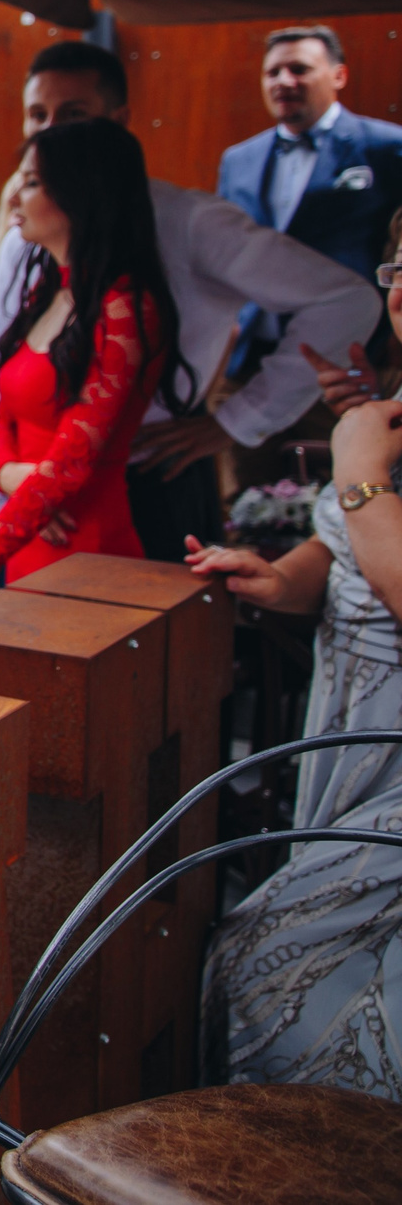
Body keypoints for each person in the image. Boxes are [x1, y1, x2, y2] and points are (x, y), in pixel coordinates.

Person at [0, 43, 375, 562]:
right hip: (28, 481)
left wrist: (238, 419)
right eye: (38, 115)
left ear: (120, 120)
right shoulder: (27, 229)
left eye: (74, 115)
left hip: (149, 476)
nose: (51, 132)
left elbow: (344, 298)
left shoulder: (192, 222)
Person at [187, 269, 402, 1093]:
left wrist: (360, 471)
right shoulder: (387, 406)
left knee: (279, 968)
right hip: (348, 722)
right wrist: (282, 580)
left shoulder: (368, 446)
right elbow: (343, 548)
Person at [0, 121, 192, 608]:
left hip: (84, 548)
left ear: (83, 192)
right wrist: (16, 478)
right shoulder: (49, 290)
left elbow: (73, 463)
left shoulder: (126, 307)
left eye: (32, 181)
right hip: (30, 528)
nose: (14, 196)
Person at [218, 25, 402, 284]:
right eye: (273, 72)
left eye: (299, 69)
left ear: (339, 76)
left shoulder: (386, 145)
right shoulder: (237, 161)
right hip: (259, 320)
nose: (283, 81)